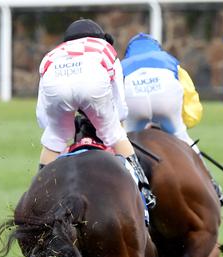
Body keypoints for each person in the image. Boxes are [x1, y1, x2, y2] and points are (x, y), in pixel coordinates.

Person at [36, 19, 156, 209]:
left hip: (55, 84)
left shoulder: (51, 55)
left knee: (54, 137)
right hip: (93, 84)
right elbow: (120, 106)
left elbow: (42, 117)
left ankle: (38, 196)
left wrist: (57, 129)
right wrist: (112, 123)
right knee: (115, 134)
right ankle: (144, 190)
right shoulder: (105, 48)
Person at [122, 33, 223, 206]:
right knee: (182, 135)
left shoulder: (122, 66)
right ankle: (213, 186)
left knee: (124, 145)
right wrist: (180, 124)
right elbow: (192, 107)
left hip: (134, 101)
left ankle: (129, 195)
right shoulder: (170, 61)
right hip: (166, 98)